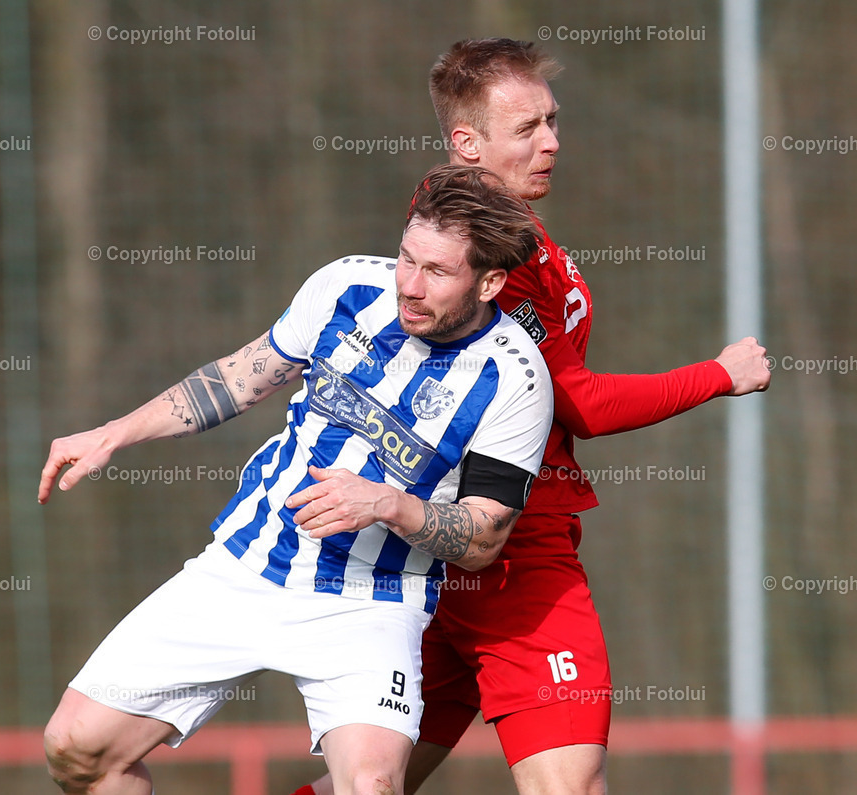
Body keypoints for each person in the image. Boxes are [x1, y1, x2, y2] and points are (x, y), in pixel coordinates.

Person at [293, 38, 771, 795]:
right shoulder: (483, 260)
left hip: (427, 548)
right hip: (509, 552)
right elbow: (576, 399)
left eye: (553, 120)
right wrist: (717, 375)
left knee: (367, 786)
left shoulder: (476, 223)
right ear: (467, 143)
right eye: (528, 129)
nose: (552, 142)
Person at [38, 163, 554, 795]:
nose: (410, 287)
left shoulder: (516, 379)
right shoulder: (346, 288)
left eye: (438, 272)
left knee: (371, 786)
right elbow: (238, 378)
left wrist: (391, 506)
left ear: (490, 281)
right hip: (244, 566)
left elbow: (484, 540)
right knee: (75, 749)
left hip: (369, 602)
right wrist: (114, 432)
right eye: (406, 259)